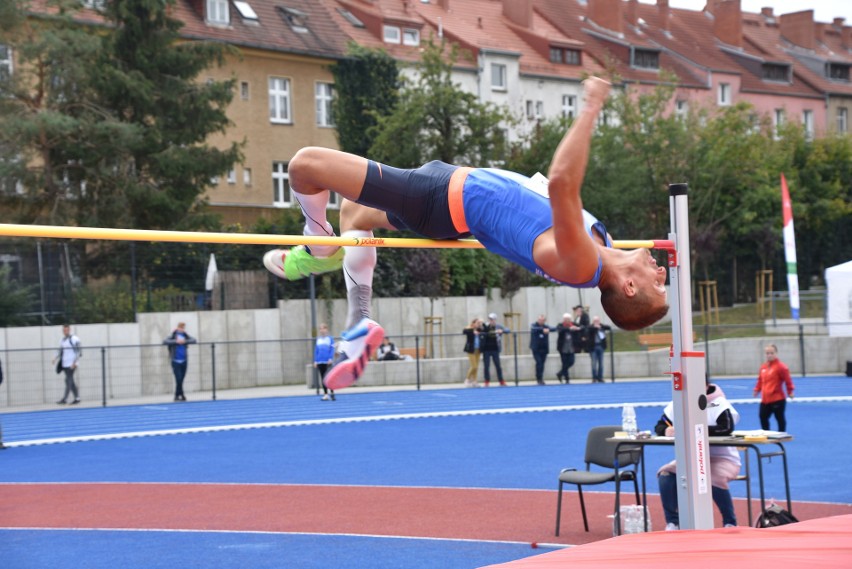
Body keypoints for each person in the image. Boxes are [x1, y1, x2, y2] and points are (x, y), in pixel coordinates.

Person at [262, 77, 668, 391]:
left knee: (304, 166)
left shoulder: (584, 263)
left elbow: (562, 182)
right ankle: (356, 321)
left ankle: (317, 247)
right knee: (353, 214)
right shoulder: (605, 245)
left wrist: (592, 106)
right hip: (448, 201)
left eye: (659, 285)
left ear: (629, 286)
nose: (663, 273)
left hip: (438, 199)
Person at [656, 382, 741, 530]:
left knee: (712, 477)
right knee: (666, 474)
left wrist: (696, 429)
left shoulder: (718, 403)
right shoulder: (678, 403)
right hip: (692, 458)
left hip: (723, 459)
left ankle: (730, 522)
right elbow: (660, 425)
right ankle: (673, 522)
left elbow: (726, 427)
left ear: (707, 386)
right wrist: (666, 431)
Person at [753, 344, 794, 432]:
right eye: (767, 353)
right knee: (762, 416)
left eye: (772, 353)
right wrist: (757, 389)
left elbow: (788, 380)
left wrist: (790, 391)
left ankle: (782, 434)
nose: (769, 355)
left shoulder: (781, 367)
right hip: (765, 400)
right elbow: (760, 380)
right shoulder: (763, 367)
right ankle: (766, 433)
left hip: (777, 399)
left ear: (776, 353)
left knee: (779, 418)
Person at [163, 322, 197, 402]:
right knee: (178, 378)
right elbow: (165, 341)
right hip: (175, 360)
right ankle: (178, 395)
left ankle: (179, 395)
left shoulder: (185, 335)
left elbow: (194, 340)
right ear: (178, 328)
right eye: (181, 327)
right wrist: (176, 341)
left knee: (181, 379)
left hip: (184, 360)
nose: (182, 329)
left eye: (183, 328)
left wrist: (184, 341)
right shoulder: (173, 335)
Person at [53, 324, 82, 405]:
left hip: (72, 363)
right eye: (64, 330)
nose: (65, 331)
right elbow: (60, 350)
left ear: (69, 330)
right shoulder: (63, 340)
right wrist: (55, 358)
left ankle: (65, 399)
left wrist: (75, 362)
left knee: (68, 380)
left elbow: (78, 351)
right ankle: (77, 398)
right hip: (65, 364)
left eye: (66, 330)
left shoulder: (74, 339)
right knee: (70, 381)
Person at [480, 313, 509, 387]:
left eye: (492, 319)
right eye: (490, 319)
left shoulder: (498, 326)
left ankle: (501, 381)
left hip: (495, 349)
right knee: (486, 366)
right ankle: (487, 381)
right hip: (486, 349)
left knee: (498, 365)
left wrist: (502, 331)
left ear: (495, 320)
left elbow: (507, 330)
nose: (491, 321)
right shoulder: (485, 326)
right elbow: (479, 330)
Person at [314, 323, 335, 401]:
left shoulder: (330, 339)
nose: (322, 330)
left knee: (329, 377)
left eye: (323, 328)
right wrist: (315, 360)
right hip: (320, 361)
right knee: (323, 378)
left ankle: (332, 392)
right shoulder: (318, 340)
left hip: (327, 362)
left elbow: (332, 349)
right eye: (320, 328)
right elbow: (316, 351)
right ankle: (326, 394)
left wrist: (330, 358)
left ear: (326, 329)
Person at [586, 315, 611, 383]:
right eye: (595, 321)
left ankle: (600, 377)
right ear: (593, 322)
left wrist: (600, 327)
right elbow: (589, 329)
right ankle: (594, 377)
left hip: (601, 347)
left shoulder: (601, 326)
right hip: (593, 347)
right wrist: (595, 327)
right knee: (594, 363)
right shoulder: (591, 327)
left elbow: (608, 327)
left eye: (597, 321)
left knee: (601, 363)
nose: (596, 322)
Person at [555, 313, 578, 383]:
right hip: (563, 348)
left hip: (571, 348)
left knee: (571, 362)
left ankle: (560, 373)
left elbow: (583, 327)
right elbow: (560, 330)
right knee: (564, 363)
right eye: (566, 319)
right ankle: (567, 379)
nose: (567, 321)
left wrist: (576, 328)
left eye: (569, 319)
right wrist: (569, 328)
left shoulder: (574, 324)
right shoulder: (560, 325)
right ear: (564, 320)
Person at [529, 314, 552, 385]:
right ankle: (538, 378)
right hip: (536, 348)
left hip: (544, 348)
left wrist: (548, 329)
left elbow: (553, 328)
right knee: (539, 363)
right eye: (539, 320)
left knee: (542, 363)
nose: (541, 321)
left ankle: (541, 377)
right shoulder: (534, 325)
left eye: (542, 320)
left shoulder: (546, 326)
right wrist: (543, 330)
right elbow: (534, 329)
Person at [462, 317, 483, 387]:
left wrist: (481, 324)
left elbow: (484, 329)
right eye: (477, 323)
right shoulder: (469, 328)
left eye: (479, 323)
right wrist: (472, 331)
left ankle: (474, 381)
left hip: (478, 349)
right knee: (473, 366)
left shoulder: (479, 329)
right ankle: (467, 379)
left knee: (476, 366)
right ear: (473, 323)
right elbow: (464, 331)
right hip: (471, 349)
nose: (478, 324)